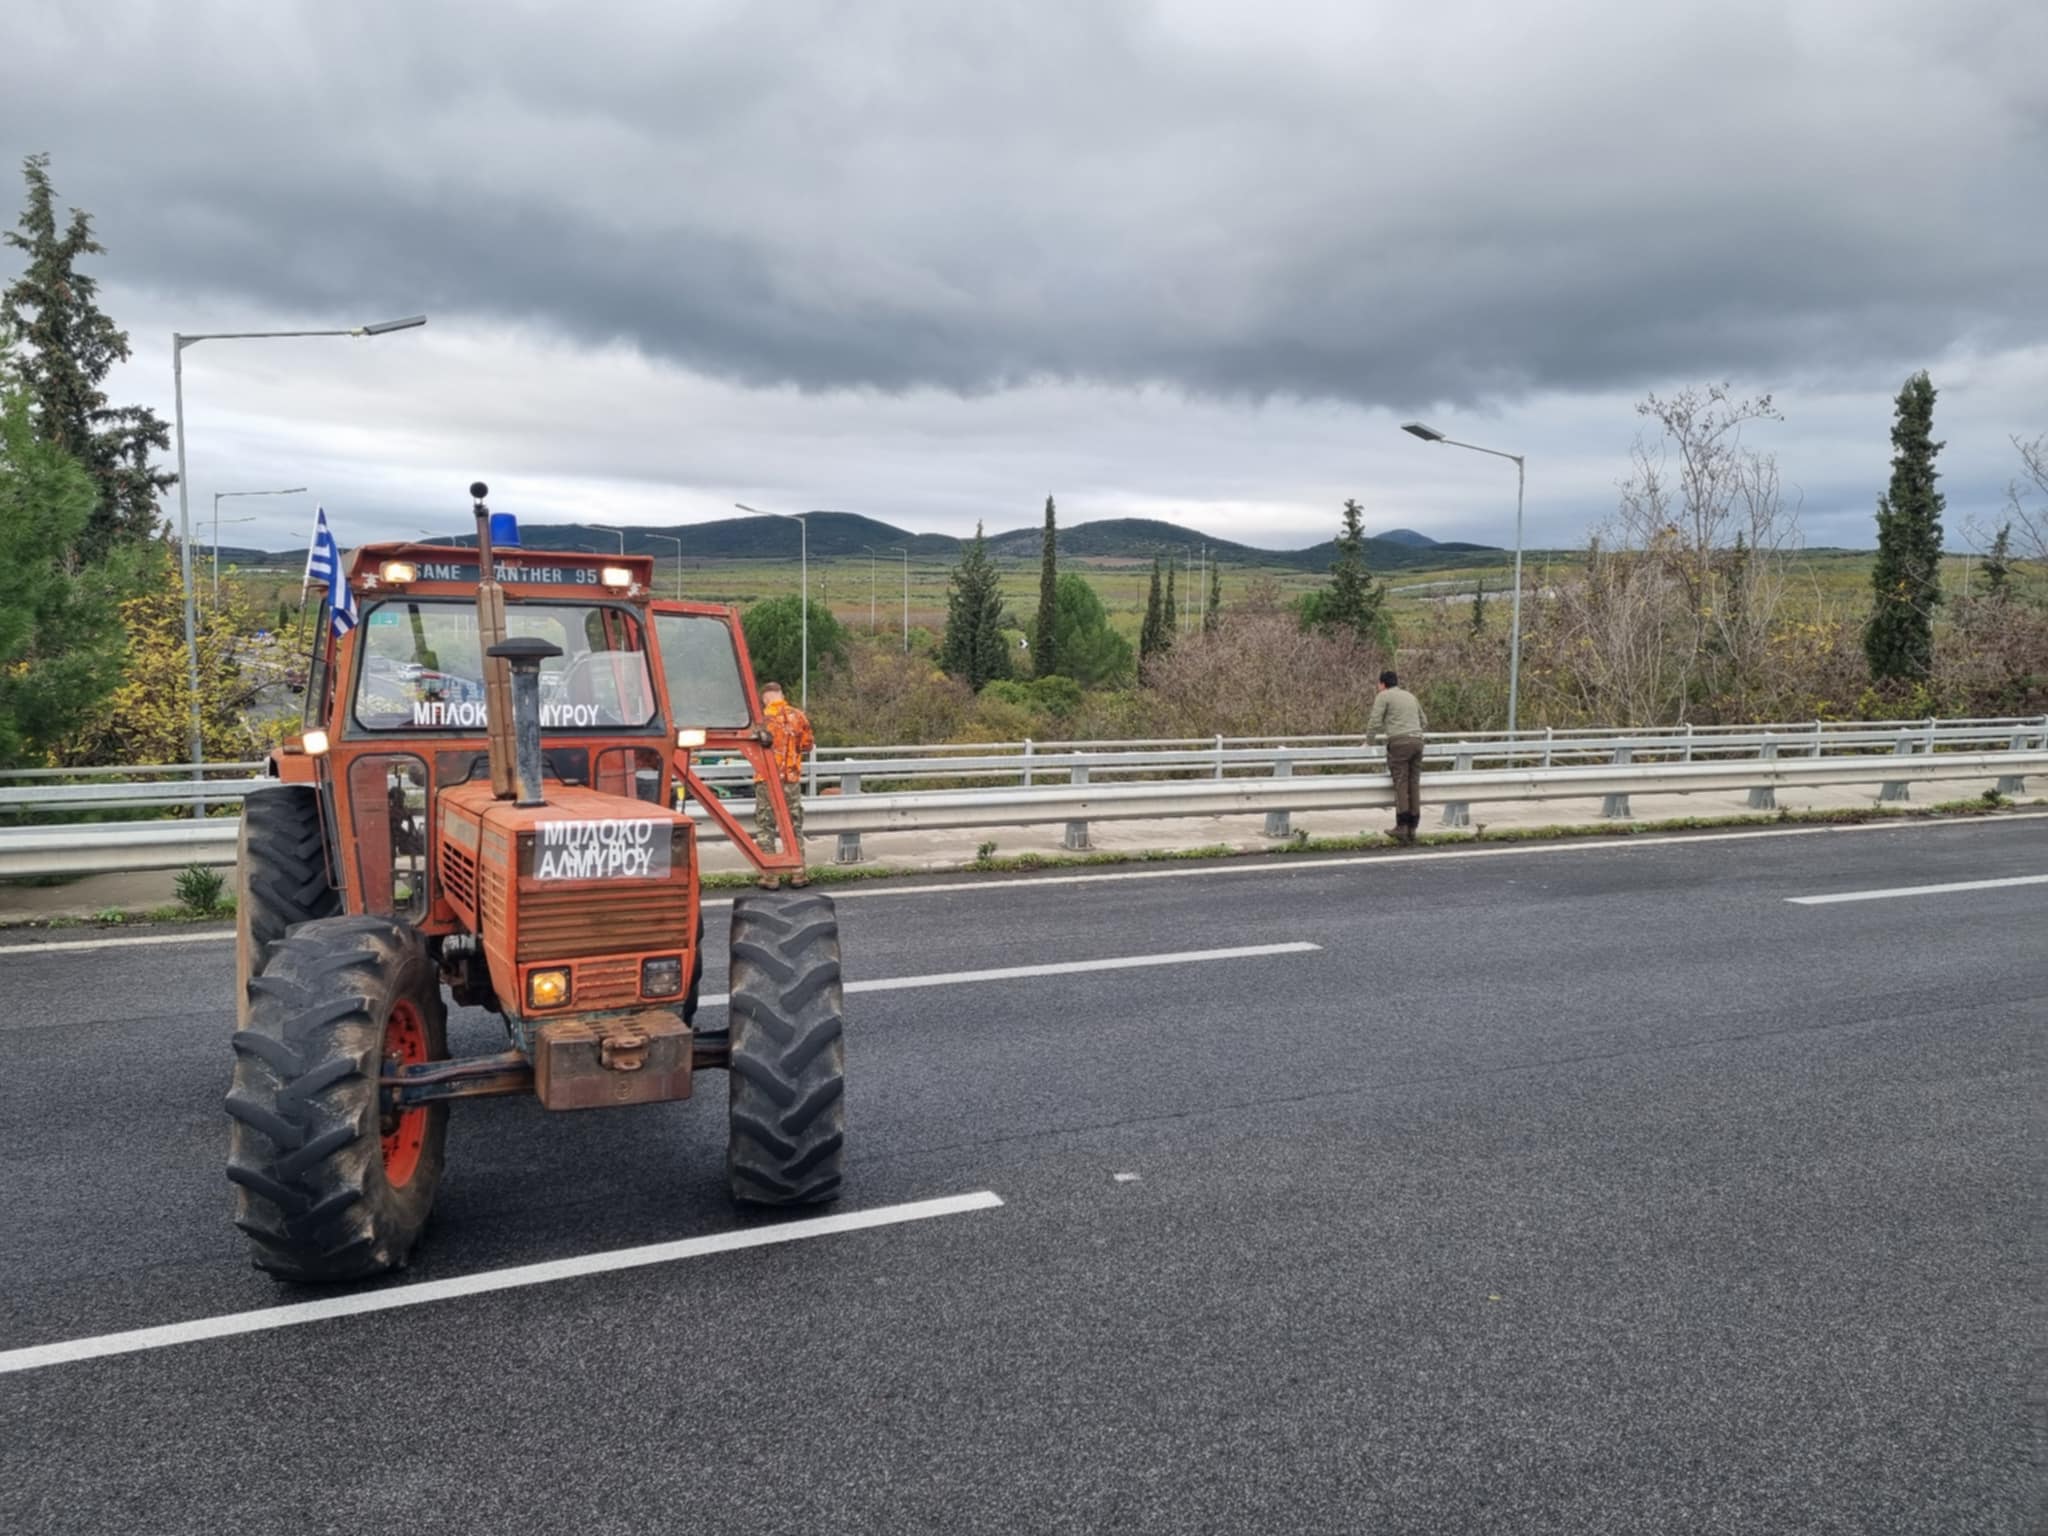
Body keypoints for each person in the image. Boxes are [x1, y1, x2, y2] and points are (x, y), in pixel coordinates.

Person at [752, 681, 815, 888]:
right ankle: (798, 872)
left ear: (765, 697)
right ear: (781, 694)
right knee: (794, 825)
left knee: (766, 826)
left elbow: (751, 747)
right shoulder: (798, 716)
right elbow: (807, 745)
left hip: (766, 780)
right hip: (791, 779)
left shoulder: (761, 720)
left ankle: (770, 875)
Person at [1365, 669, 1428, 845]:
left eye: (1378, 684)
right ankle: (1413, 827)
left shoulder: (1383, 696)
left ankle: (1401, 826)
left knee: (1400, 782)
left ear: (1382, 684)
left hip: (1400, 743)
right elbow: (1424, 722)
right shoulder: (1410, 696)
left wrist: (1369, 741)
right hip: (1418, 742)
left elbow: (1375, 721)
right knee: (1413, 783)